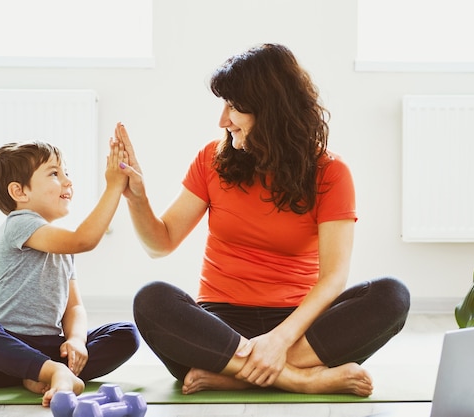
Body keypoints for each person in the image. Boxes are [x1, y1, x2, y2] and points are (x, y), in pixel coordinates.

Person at [116, 43, 410, 397]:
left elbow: (333, 277)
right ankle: (299, 379)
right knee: (152, 300)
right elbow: (160, 243)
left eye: (234, 107)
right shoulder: (212, 159)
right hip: (221, 325)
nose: (222, 120)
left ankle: (231, 374)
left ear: (270, 110)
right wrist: (137, 198)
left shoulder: (331, 173)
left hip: (299, 326)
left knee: (392, 295)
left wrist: (279, 340)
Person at [0, 139, 139, 407]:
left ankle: (39, 373)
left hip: (48, 347)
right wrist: (113, 186)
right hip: (2, 351)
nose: (67, 181)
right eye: (54, 173)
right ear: (19, 192)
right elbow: (84, 240)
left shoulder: (63, 244)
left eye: (66, 173)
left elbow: (74, 307)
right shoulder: (18, 223)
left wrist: (76, 341)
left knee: (126, 334)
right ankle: (55, 372)